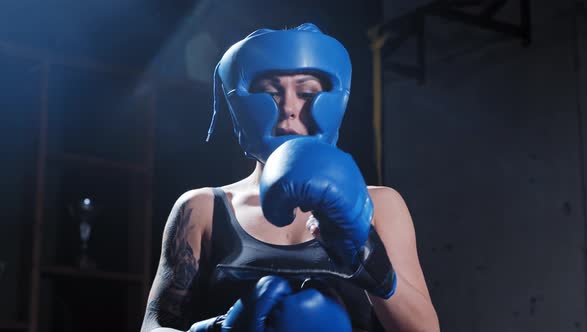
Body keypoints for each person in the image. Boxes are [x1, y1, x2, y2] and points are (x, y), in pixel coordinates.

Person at [141, 23, 440, 332]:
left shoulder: (379, 205)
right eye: (270, 92)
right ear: (239, 106)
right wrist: (221, 329)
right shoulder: (204, 208)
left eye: (307, 92)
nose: (288, 108)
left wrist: (368, 261)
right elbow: (154, 326)